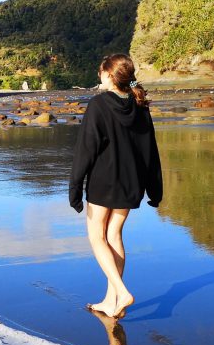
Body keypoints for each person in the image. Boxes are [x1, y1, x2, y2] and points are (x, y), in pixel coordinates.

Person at [69, 53, 162, 319]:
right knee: (114, 236)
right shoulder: (140, 105)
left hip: (104, 182)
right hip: (132, 183)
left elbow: (85, 150)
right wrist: (155, 190)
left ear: (110, 75)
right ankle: (111, 301)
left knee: (97, 236)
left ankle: (121, 291)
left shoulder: (99, 105)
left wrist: (74, 188)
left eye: (100, 72)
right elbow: (150, 151)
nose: (98, 76)